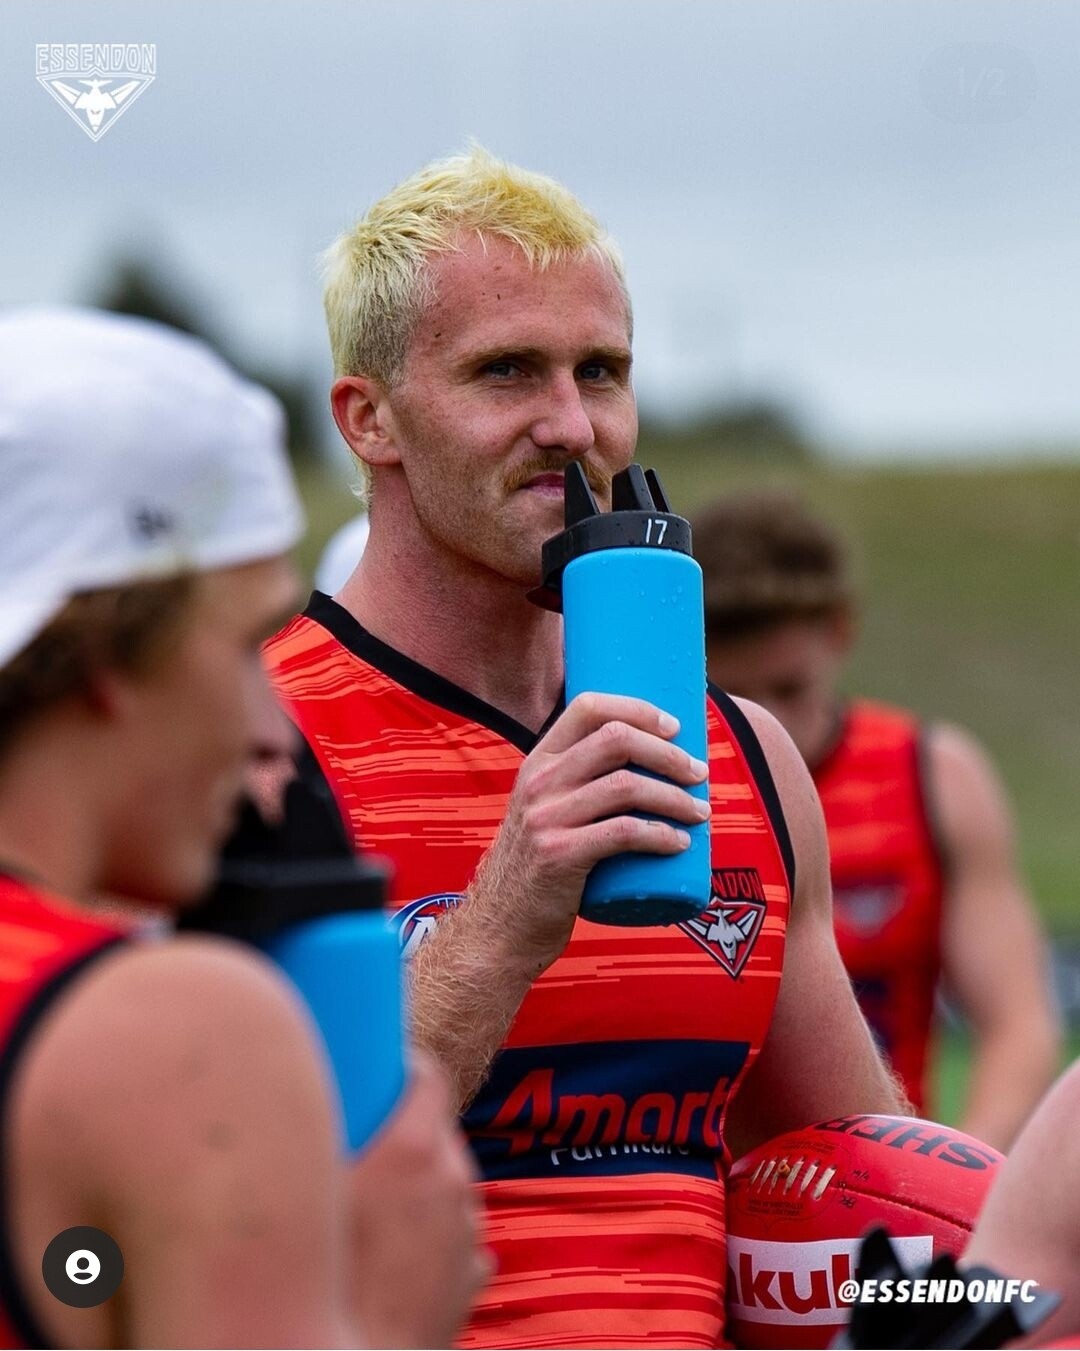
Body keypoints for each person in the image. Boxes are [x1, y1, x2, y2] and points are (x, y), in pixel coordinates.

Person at [265, 145, 904, 1350]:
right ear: (368, 418)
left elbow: (865, 1187)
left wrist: (982, 1277)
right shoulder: (254, 747)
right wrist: (502, 920)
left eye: (600, 371)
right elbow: (234, 1189)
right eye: (505, 370)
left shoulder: (745, 758)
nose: (570, 425)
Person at [0, 307, 483, 1350]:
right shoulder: (180, 1034)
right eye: (244, 645)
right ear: (106, 651)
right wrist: (387, 1312)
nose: (272, 728)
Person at [691, 489, 1061, 1149]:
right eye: (737, 699)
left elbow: (1020, 1027)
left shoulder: (933, 776)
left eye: (790, 688)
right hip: (709, 1188)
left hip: (883, 1184)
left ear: (838, 631)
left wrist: (950, 1180)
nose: (770, 727)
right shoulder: (656, 786)